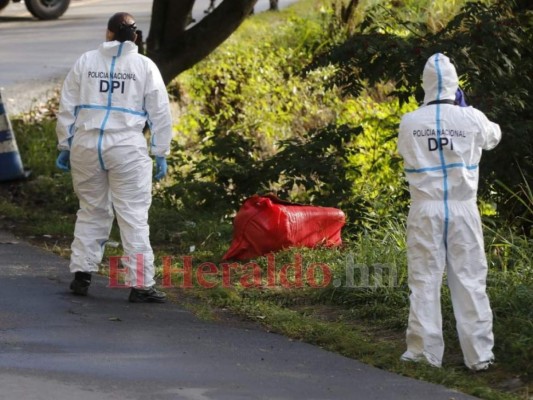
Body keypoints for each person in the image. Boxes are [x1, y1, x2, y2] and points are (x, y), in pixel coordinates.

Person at [55, 12, 173, 303]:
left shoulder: (86, 61)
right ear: (135, 37)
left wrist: (65, 145)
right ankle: (141, 285)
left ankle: (81, 275)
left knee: (92, 209)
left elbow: (67, 104)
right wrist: (160, 152)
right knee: (133, 215)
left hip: (86, 144)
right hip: (127, 148)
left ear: (107, 33)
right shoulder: (145, 66)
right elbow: (160, 112)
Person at [397, 53, 501, 371]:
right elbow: (494, 137)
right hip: (462, 208)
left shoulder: (410, 122)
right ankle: (479, 356)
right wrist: (465, 112)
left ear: (425, 84)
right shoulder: (472, 119)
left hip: (425, 208)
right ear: (456, 83)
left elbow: (406, 150)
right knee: (470, 280)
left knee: (424, 278)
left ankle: (423, 353)